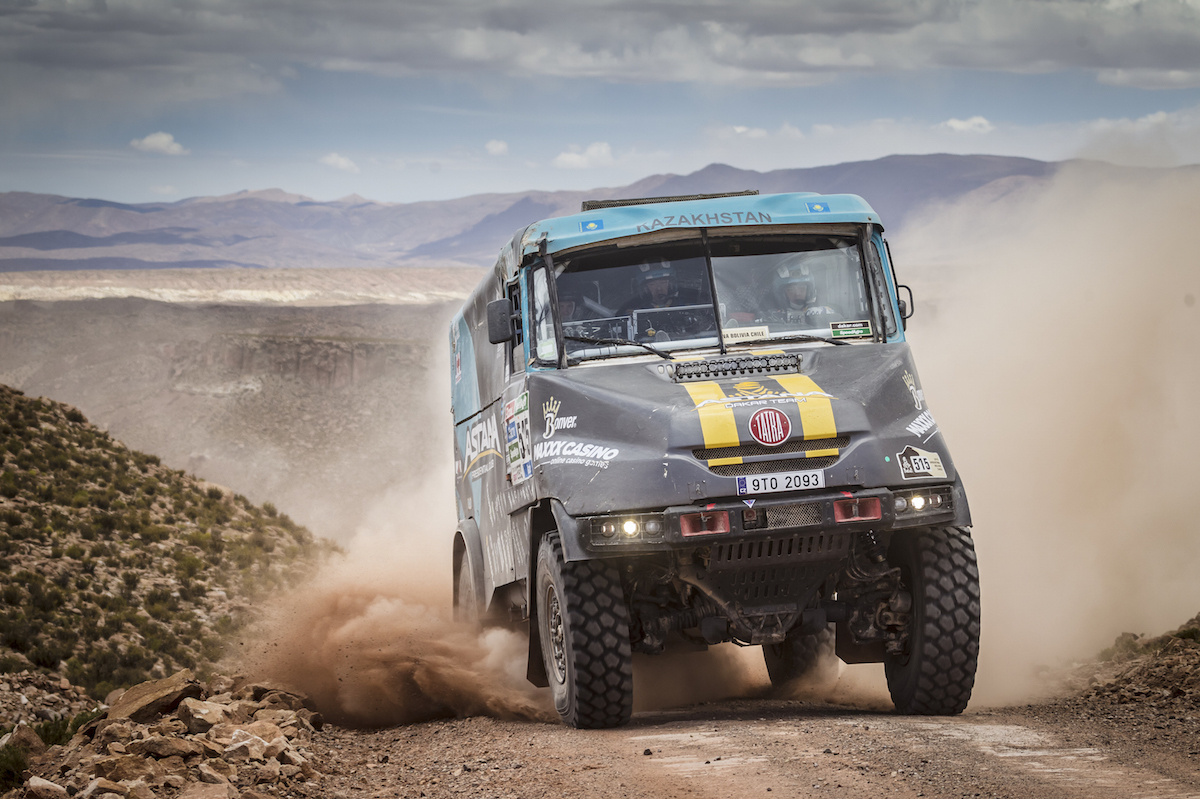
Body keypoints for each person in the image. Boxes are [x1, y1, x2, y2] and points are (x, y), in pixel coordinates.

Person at [762, 254, 843, 327]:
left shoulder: (822, 310)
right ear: (781, 294)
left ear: (809, 290)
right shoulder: (770, 316)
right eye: (790, 290)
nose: (797, 293)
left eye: (802, 288)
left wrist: (820, 314)